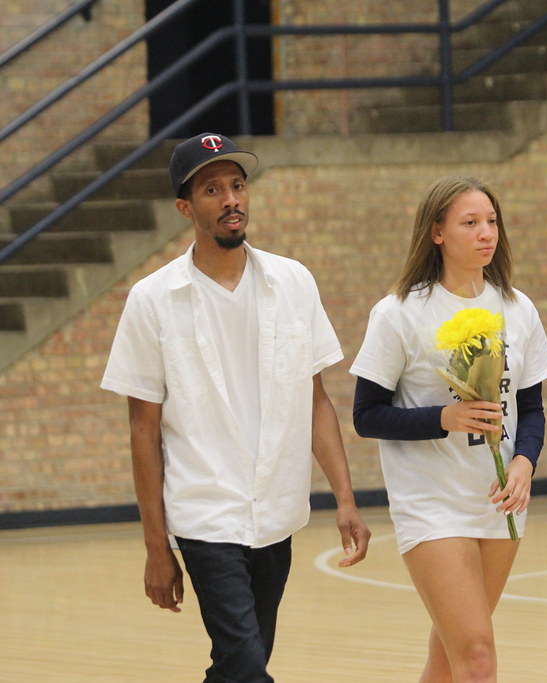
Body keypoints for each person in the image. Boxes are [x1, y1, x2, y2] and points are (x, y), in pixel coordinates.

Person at [100, 132, 370, 682]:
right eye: (212, 189)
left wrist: (346, 498)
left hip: (277, 510)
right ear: (185, 207)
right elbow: (142, 430)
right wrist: (157, 545)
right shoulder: (152, 301)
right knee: (247, 665)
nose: (231, 200)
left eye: (238, 186)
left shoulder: (293, 282)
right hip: (203, 512)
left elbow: (316, 400)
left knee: (238, 665)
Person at [349, 176, 547, 682]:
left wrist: (525, 463)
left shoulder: (517, 308)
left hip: (497, 500)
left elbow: (531, 409)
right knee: (478, 657)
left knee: (449, 660)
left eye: (491, 221)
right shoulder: (399, 312)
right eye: (470, 222)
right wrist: (443, 418)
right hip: (430, 501)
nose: (487, 233)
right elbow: (366, 415)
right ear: (437, 232)